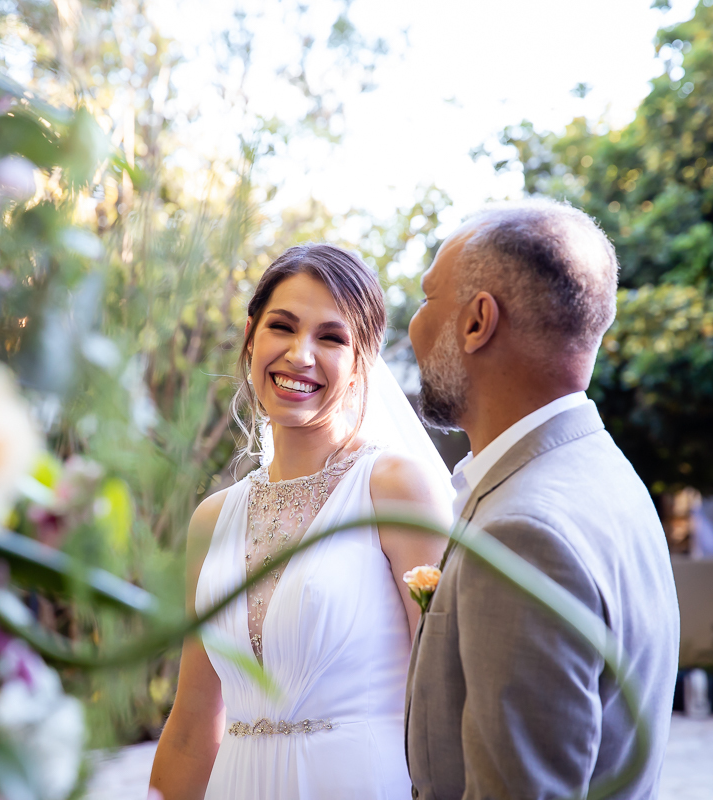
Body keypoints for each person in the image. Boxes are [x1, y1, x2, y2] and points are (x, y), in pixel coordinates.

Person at [149, 243, 453, 799]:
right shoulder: (212, 519)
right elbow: (193, 726)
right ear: (250, 336)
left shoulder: (395, 488)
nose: (300, 354)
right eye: (282, 327)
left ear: (362, 361)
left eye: (331, 337)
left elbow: (445, 702)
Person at [405, 199, 680, 800]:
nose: (413, 326)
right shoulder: (607, 477)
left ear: (478, 322)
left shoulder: (524, 533)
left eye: (428, 299)